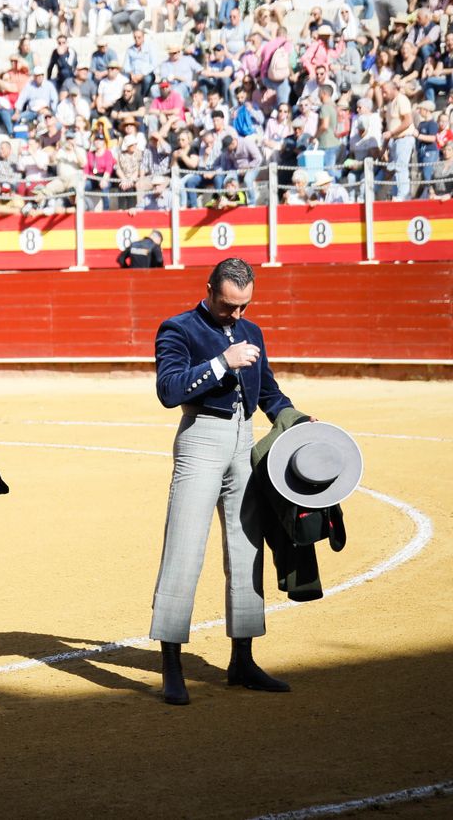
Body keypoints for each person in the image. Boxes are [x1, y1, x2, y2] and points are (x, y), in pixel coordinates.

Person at [150, 258, 299, 705]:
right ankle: (171, 664)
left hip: (244, 441)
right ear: (210, 290)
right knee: (184, 548)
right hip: (201, 439)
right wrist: (221, 363)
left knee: (246, 547)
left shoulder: (252, 331)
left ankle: (243, 661)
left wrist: (292, 417)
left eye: (244, 306)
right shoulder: (178, 329)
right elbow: (168, 390)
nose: (236, 314)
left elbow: (267, 389)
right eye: (228, 305)